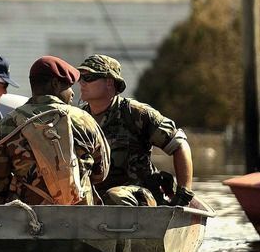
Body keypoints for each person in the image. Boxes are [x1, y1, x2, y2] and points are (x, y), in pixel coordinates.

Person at [0, 56, 110, 205]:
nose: (72, 93)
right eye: (68, 86)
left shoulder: (9, 123)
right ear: (55, 84)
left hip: (29, 218)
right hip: (79, 218)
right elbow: (101, 173)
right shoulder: (84, 119)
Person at [77, 54, 194, 207]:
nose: (82, 82)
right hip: (97, 201)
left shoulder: (136, 114)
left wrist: (183, 193)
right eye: (80, 77)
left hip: (139, 197)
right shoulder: (79, 119)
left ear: (109, 83)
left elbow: (179, 144)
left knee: (114, 196)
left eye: (89, 77)